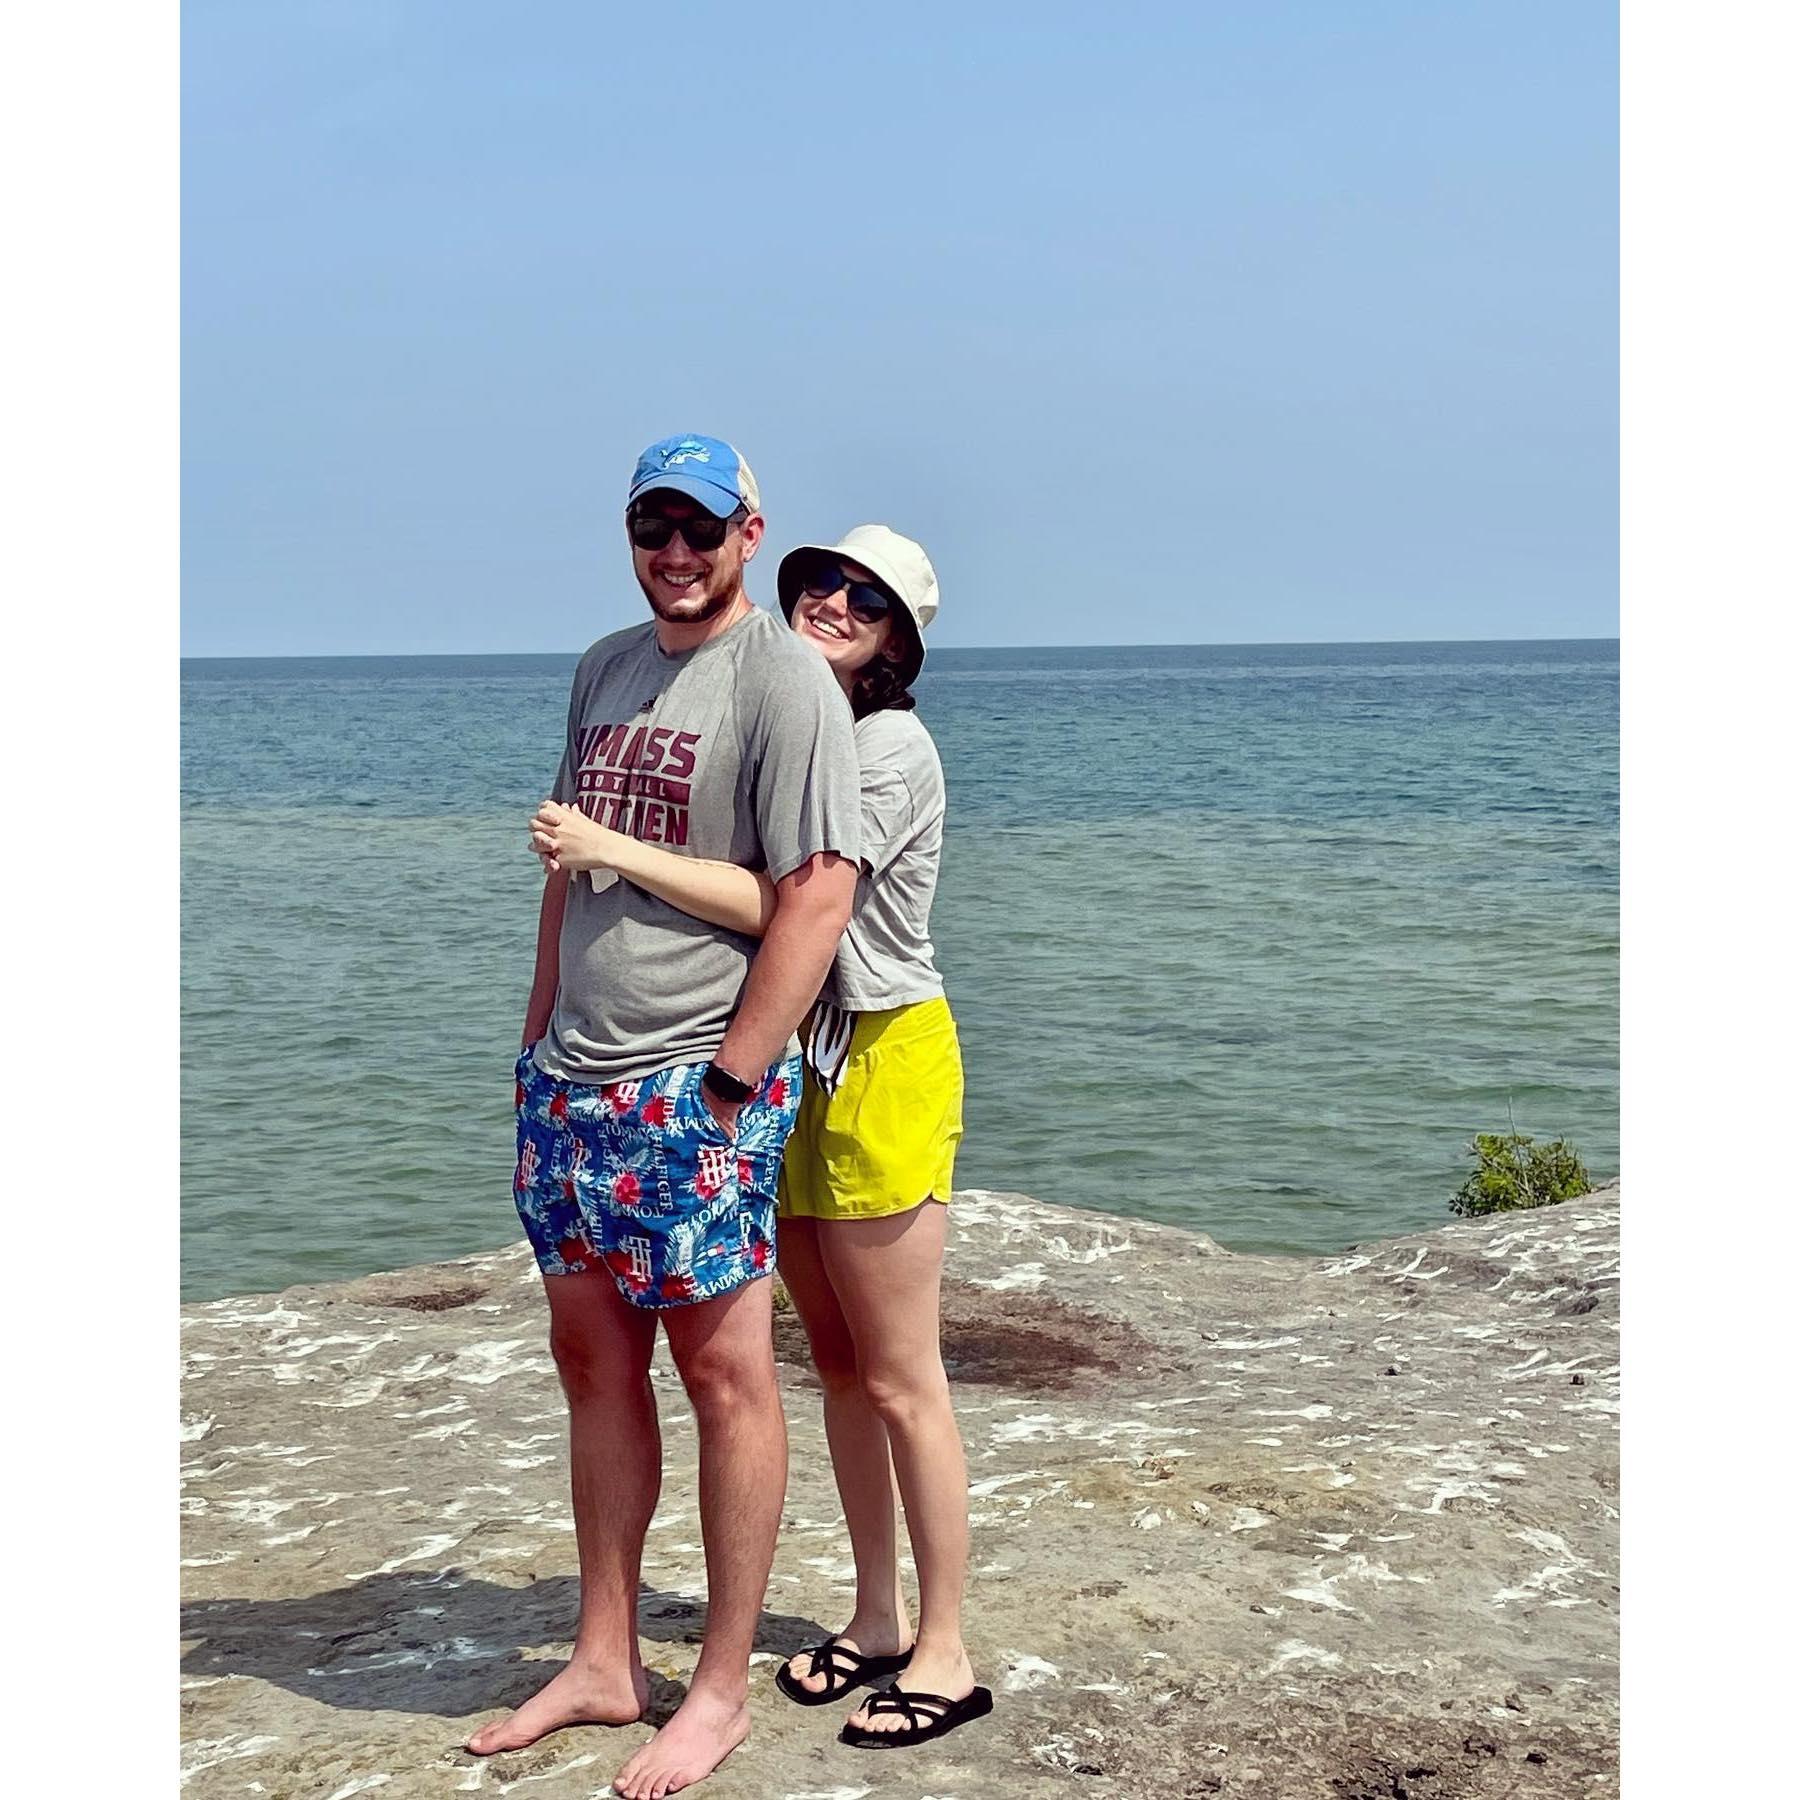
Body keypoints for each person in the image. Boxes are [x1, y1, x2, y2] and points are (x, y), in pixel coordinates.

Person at [529, 525, 990, 1752]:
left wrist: (617, 854)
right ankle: (877, 1615)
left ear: (899, 641)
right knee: (832, 1364)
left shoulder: (884, 746)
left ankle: (945, 1645)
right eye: (822, 583)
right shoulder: (795, 722)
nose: (834, 602)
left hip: (878, 1055)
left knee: (900, 1372)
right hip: (794, 1057)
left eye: (867, 599)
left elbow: (803, 902)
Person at [467, 435, 862, 1800]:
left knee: (725, 1375)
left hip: (694, 1076)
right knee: (592, 1367)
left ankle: (719, 1684)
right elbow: (565, 877)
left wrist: (736, 1081)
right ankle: (602, 1656)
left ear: (750, 530)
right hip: (572, 1082)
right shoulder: (603, 667)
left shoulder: (787, 680)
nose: (675, 555)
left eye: (701, 529)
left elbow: (811, 896)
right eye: (653, 528)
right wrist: (532, 1045)